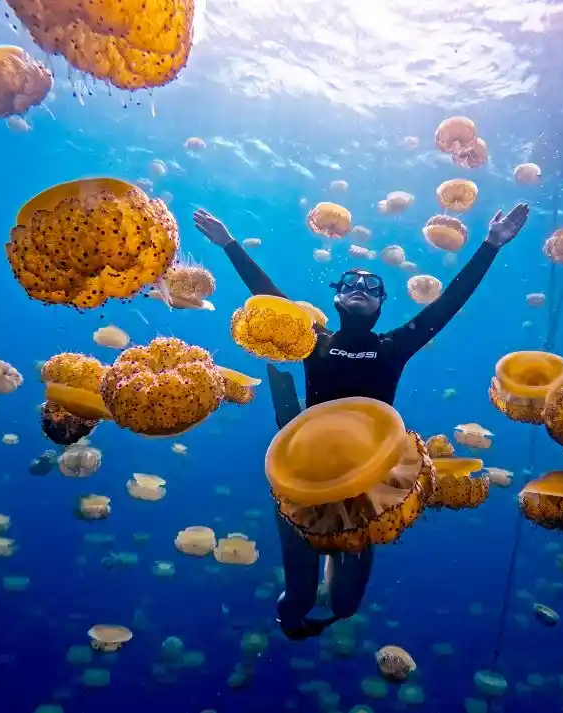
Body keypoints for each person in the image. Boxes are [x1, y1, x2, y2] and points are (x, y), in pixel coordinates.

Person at [194, 203, 530, 640]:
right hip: (304, 472)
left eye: (372, 285)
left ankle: (327, 608)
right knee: (296, 597)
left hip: (367, 481)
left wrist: (491, 244)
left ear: (380, 303)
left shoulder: (394, 346)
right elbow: (274, 301)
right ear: (336, 297)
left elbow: (446, 305)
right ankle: (291, 621)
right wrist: (228, 244)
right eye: (351, 282)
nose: (361, 287)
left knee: (346, 605)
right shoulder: (315, 341)